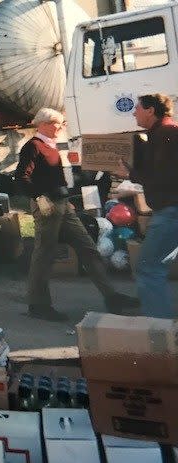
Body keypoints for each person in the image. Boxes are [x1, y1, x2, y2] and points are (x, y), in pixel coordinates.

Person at [16, 108, 138, 321]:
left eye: (62, 124)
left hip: (61, 204)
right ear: (43, 124)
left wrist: (66, 202)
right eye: (57, 123)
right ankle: (38, 305)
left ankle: (112, 296)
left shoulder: (50, 146)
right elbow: (21, 176)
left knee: (88, 249)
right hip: (47, 206)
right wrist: (39, 197)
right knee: (44, 255)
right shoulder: (33, 146)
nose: (61, 127)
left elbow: (54, 177)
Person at [117, 94, 178, 319]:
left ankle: (160, 329)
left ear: (151, 110)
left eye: (138, 109)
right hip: (170, 210)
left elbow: (164, 177)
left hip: (171, 211)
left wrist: (131, 174)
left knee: (148, 267)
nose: (134, 113)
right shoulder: (161, 134)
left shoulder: (166, 135)